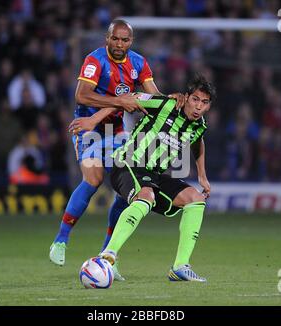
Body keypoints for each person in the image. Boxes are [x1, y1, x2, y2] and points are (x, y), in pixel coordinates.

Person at [49, 19, 184, 281]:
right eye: (116, 39)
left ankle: (106, 257)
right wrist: (120, 101)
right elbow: (82, 95)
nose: (120, 44)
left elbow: (152, 94)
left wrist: (172, 99)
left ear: (130, 41)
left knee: (126, 191)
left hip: (118, 130)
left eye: (125, 40)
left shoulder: (138, 63)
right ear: (107, 38)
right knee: (94, 179)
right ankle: (61, 240)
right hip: (89, 127)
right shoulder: (94, 60)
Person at [77, 74, 215, 282]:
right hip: (127, 164)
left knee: (196, 200)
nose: (198, 106)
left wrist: (202, 176)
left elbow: (197, 142)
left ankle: (180, 267)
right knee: (146, 195)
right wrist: (93, 120)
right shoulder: (166, 104)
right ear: (186, 97)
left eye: (204, 103)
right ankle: (107, 256)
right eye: (195, 99)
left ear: (208, 107)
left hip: (155, 174)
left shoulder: (199, 125)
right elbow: (127, 99)